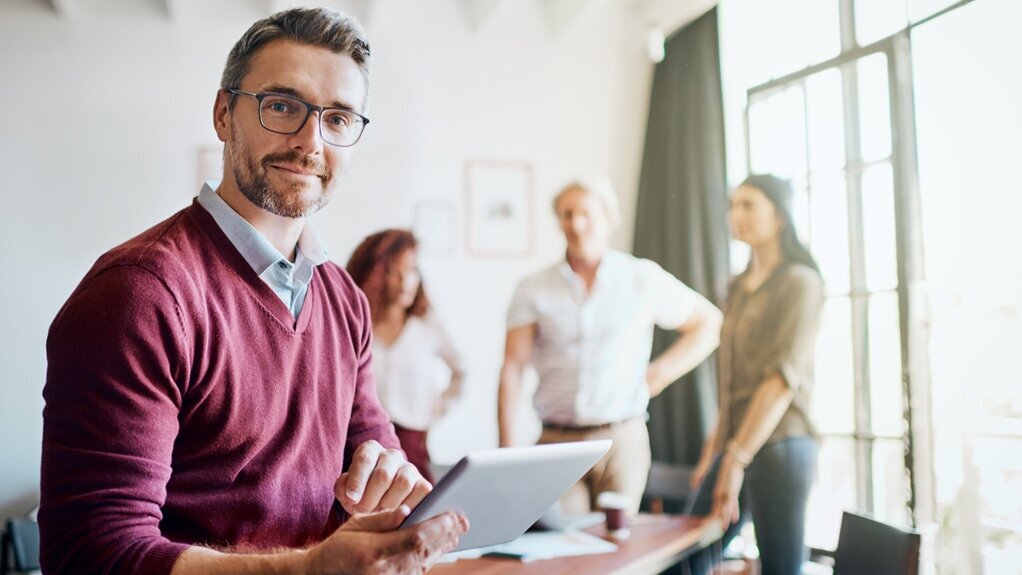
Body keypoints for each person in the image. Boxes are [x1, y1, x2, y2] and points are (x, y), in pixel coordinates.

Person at [39, 8, 467, 575]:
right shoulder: (140, 293)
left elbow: (374, 459)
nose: (311, 142)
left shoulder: (343, 298)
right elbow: (90, 553)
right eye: (283, 106)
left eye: (338, 118)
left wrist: (395, 492)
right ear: (224, 113)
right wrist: (304, 570)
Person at [497, 177, 723, 515]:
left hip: (622, 441)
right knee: (565, 553)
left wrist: (660, 372)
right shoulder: (532, 288)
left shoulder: (641, 278)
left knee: (617, 552)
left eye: (586, 213)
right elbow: (513, 366)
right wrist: (506, 447)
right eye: (567, 214)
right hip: (556, 442)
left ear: (608, 219)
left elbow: (709, 323)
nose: (576, 223)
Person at [683, 174, 824, 575]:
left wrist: (735, 460)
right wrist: (715, 450)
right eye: (733, 205)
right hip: (735, 445)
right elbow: (730, 383)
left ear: (779, 217)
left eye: (749, 205)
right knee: (687, 557)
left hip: (781, 445)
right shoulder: (738, 288)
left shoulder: (801, 283)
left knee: (780, 568)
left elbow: (782, 380)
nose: (736, 214)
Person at [346, 229, 465, 484]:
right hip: (360, 452)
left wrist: (434, 409)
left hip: (414, 446)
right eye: (393, 271)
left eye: (411, 270)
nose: (404, 281)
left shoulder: (427, 326)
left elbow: (463, 371)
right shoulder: (354, 325)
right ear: (374, 274)